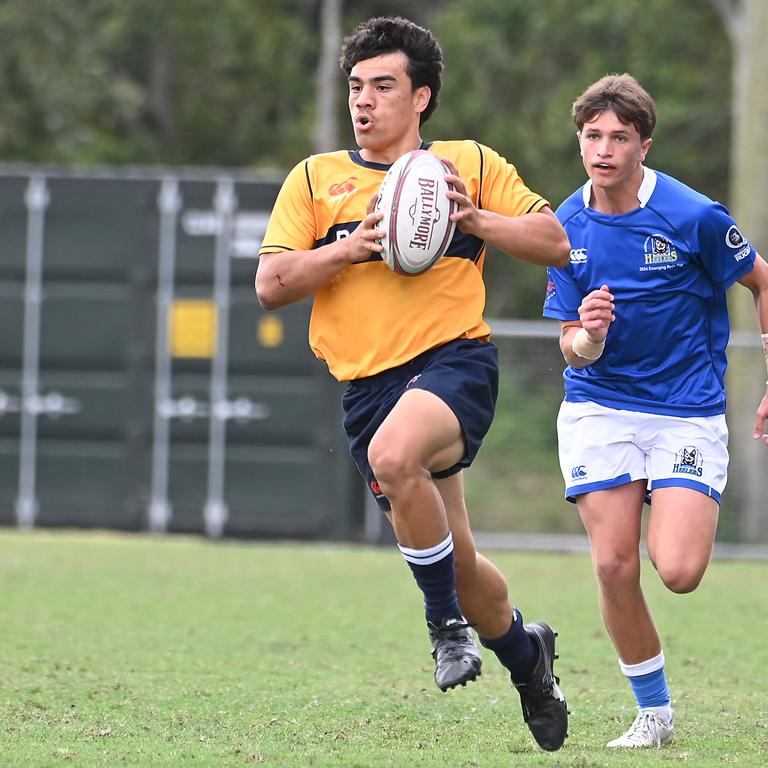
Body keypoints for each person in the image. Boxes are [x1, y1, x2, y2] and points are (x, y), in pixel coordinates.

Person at [256, 16, 570, 752]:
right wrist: (351, 248)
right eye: (355, 87)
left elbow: (556, 241)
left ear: (421, 96)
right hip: (366, 388)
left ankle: (444, 630)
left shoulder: (467, 163)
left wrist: (479, 218)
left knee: (399, 458)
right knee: (459, 563)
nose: (363, 102)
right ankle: (529, 658)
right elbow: (271, 283)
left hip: (452, 362)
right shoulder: (314, 178)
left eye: (383, 86)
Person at [543, 73, 768, 749]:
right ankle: (654, 714)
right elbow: (570, 349)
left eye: (619, 137)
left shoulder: (692, 215)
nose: (604, 149)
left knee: (678, 570)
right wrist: (590, 335)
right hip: (599, 407)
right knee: (614, 565)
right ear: (579, 140)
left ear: (644, 144)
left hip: (686, 412)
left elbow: (761, 279)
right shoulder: (564, 225)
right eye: (592, 136)